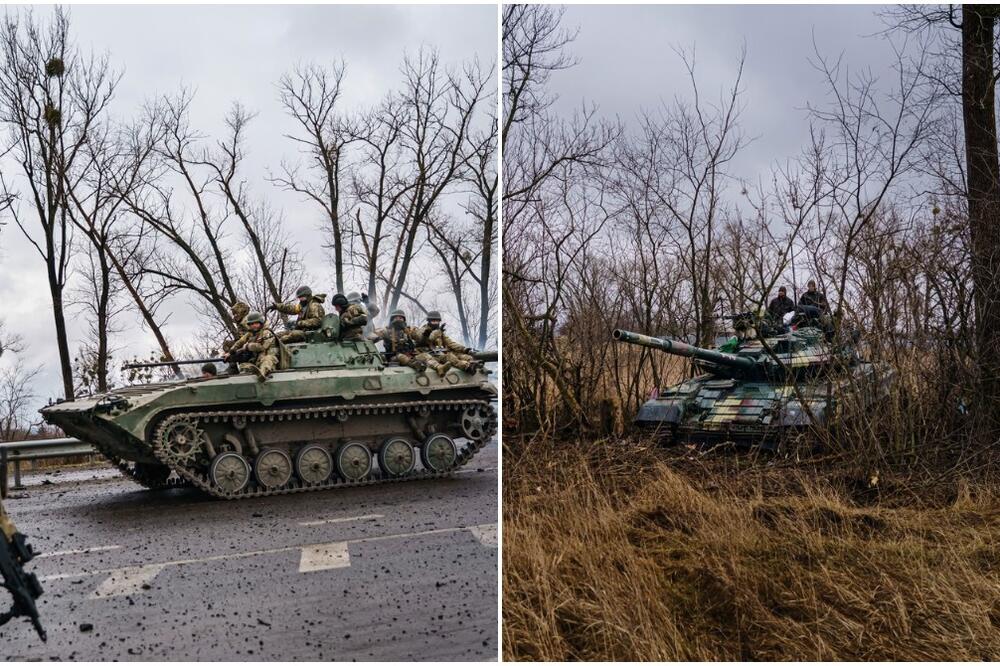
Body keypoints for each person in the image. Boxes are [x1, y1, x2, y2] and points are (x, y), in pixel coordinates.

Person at [368, 309, 451, 377]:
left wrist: (426, 334)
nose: (398, 320)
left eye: (401, 318)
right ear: (392, 320)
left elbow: (419, 338)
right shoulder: (386, 331)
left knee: (425, 355)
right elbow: (371, 335)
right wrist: (376, 337)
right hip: (394, 357)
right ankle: (416, 365)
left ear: (404, 320)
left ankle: (439, 368)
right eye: (396, 318)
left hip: (411, 354)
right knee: (401, 356)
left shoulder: (409, 330)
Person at [415, 311, 482, 373]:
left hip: (440, 352)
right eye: (433, 321)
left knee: (465, 356)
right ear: (428, 321)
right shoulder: (423, 330)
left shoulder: (440, 332)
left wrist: (465, 349)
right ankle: (466, 367)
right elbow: (428, 339)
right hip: (429, 354)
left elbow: (450, 343)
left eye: (437, 321)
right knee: (449, 357)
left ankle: (474, 364)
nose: (435, 323)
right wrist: (438, 331)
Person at [225, 312, 278, 381]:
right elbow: (240, 342)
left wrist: (248, 346)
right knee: (243, 365)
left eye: (256, 323)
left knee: (267, 360)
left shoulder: (267, 333)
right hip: (256, 359)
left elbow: (262, 347)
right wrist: (230, 352)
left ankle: (263, 374)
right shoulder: (250, 333)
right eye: (251, 324)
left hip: (269, 355)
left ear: (261, 323)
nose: (254, 325)